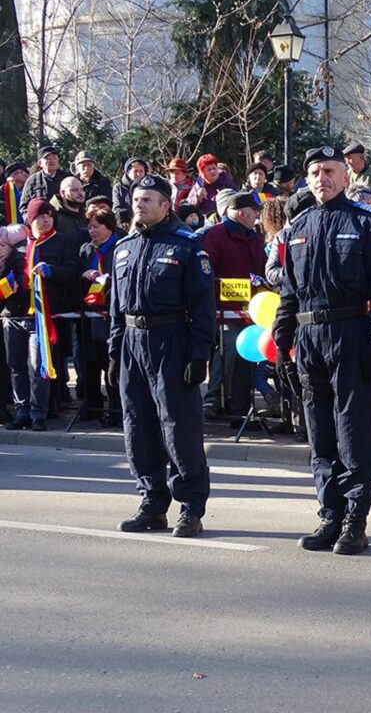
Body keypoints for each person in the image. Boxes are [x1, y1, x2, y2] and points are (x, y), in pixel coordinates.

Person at [272, 145, 371, 555]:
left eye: (329, 171)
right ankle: (330, 514)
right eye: (315, 172)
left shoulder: (365, 223)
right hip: (309, 338)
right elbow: (289, 292)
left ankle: (354, 521)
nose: (322, 178)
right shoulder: (298, 227)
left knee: (353, 433)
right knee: (320, 433)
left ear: (346, 177)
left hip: (350, 334)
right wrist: (282, 343)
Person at [108, 174, 215, 538]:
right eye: (136, 199)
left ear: (165, 206)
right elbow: (116, 308)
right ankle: (152, 502)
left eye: (147, 200)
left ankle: (191, 507)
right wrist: (114, 351)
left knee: (178, 426)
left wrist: (199, 354)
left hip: (171, 340)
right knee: (138, 426)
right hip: (132, 342)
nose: (139, 205)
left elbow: (203, 307)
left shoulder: (187, 246)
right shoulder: (124, 248)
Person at [4, 199, 81, 431]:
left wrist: (51, 271)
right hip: (15, 316)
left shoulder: (63, 243)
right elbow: (7, 272)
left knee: (38, 366)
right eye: (40, 216)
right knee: (16, 366)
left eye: (48, 215)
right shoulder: (19, 247)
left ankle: (39, 414)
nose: (46, 220)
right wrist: (8, 283)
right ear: (31, 220)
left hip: (42, 318)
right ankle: (22, 411)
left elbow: (72, 271)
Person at [201, 192, 267, 419]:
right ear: (242, 213)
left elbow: (261, 270)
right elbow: (205, 271)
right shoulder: (215, 235)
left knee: (247, 356)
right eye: (255, 212)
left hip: (251, 311)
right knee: (228, 346)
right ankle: (213, 399)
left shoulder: (255, 238)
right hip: (222, 312)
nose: (257, 216)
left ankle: (241, 406)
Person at [79, 208, 122, 426]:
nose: (92, 231)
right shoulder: (86, 250)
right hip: (90, 314)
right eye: (89, 227)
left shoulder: (119, 247)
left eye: (97, 226)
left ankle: (116, 409)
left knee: (111, 364)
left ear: (109, 227)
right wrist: (85, 275)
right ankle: (92, 405)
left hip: (111, 315)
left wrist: (108, 280)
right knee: (90, 361)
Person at [19, 146, 68, 220]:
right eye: (48, 158)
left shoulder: (67, 178)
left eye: (54, 158)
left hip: (64, 221)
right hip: (41, 222)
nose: (52, 161)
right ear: (40, 163)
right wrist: (30, 220)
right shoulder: (32, 180)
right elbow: (24, 206)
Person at [186, 153, 236, 218]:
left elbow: (236, 196)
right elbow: (188, 207)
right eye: (209, 170)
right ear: (203, 173)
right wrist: (198, 198)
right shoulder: (199, 184)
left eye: (214, 168)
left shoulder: (224, 180)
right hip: (205, 220)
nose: (212, 171)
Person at [112, 157, 148, 225]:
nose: (138, 174)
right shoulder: (118, 188)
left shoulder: (148, 188)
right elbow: (116, 209)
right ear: (128, 172)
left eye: (141, 171)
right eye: (135, 171)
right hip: (125, 223)